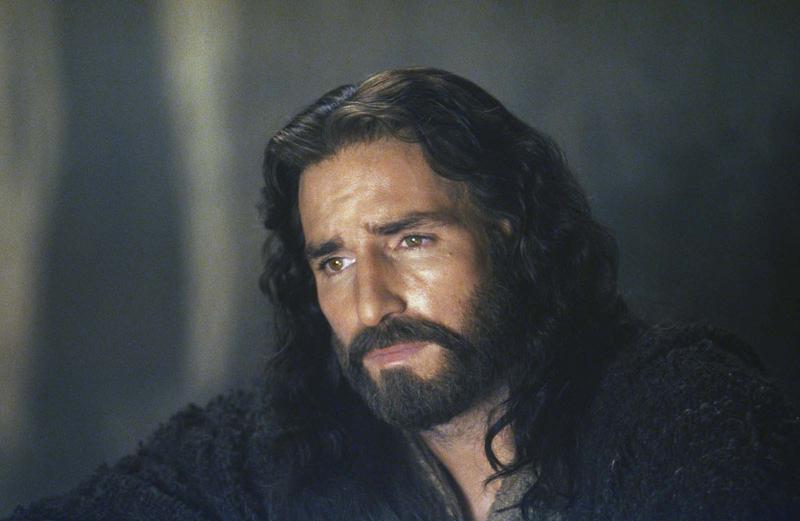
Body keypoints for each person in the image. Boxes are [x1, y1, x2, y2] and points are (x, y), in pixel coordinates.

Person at [7, 68, 799, 521]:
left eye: (411, 240)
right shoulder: (277, 441)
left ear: (509, 233)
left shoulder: (677, 406)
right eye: (333, 261)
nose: (370, 304)